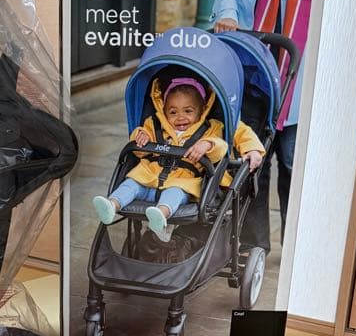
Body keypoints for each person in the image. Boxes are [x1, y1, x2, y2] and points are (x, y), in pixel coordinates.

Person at [211, 0, 318, 249]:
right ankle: (252, 246)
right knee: (253, 154)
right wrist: (227, 12)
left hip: (305, 59)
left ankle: (296, 249)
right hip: (255, 52)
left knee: (293, 159)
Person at [91, 76, 264, 241]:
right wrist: (140, 136)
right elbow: (139, 152)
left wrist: (207, 145)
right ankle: (112, 205)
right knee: (130, 184)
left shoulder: (210, 128)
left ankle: (160, 215)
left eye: (188, 111)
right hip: (148, 178)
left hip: (182, 182)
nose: (180, 117)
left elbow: (221, 147)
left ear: (202, 110)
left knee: (173, 193)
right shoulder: (154, 124)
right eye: (173, 112)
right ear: (164, 111)